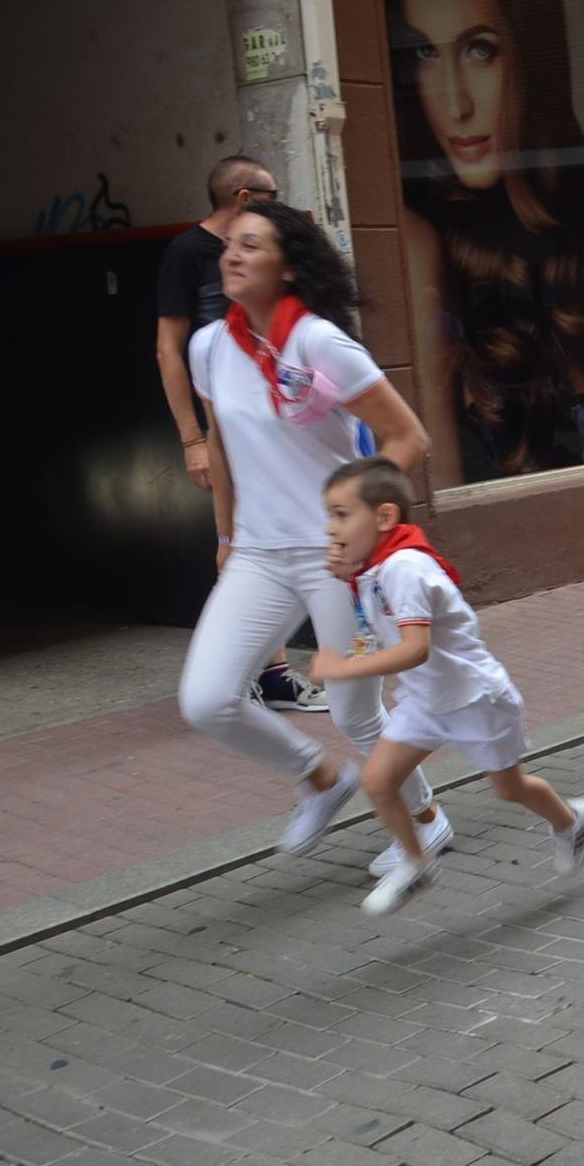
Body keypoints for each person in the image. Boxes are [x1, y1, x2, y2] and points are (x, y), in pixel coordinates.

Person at [178, 200, 454, 879]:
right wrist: (224, 532)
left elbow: (407, 437)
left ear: (289, 265)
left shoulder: (320, 344)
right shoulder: (210, 347)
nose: (232, 255)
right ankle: (320, 778)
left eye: (251, 245)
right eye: (229, 245)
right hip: (258, 553)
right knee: (207, 699)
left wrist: (368, 532)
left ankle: (426, 819)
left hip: (336, 559)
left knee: (358, 709)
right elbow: (222, 442)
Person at [313, 457, 584, 914]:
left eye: (341, 514)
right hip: (426, 702)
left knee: (510, 787)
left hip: (476, 699)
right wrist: (347, 576)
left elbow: (415, 649)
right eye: (328, 515)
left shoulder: (405, 567)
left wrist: (341, 669)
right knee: (378, 781)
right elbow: (377, 624)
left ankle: (570, 819)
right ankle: (417, 862)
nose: (330, 528)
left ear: (385, 517)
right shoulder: (376, 566)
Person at [388, 0, 584, 479]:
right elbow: (439, 476)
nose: (455, 102)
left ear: (529, 56)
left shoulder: (578, 219)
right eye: (426, 52)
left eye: (480, 50)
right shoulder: (419, 244)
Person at [157, 155, 325, 714]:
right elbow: (168, 348)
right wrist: (193, 439)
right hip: (225, 413)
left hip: (274, 408)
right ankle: (255, 673)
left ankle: (270, 674)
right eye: (273, 192)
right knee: (235, 541)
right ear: (247, 197)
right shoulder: (187, 254)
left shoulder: (276, 259)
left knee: (260, 535)